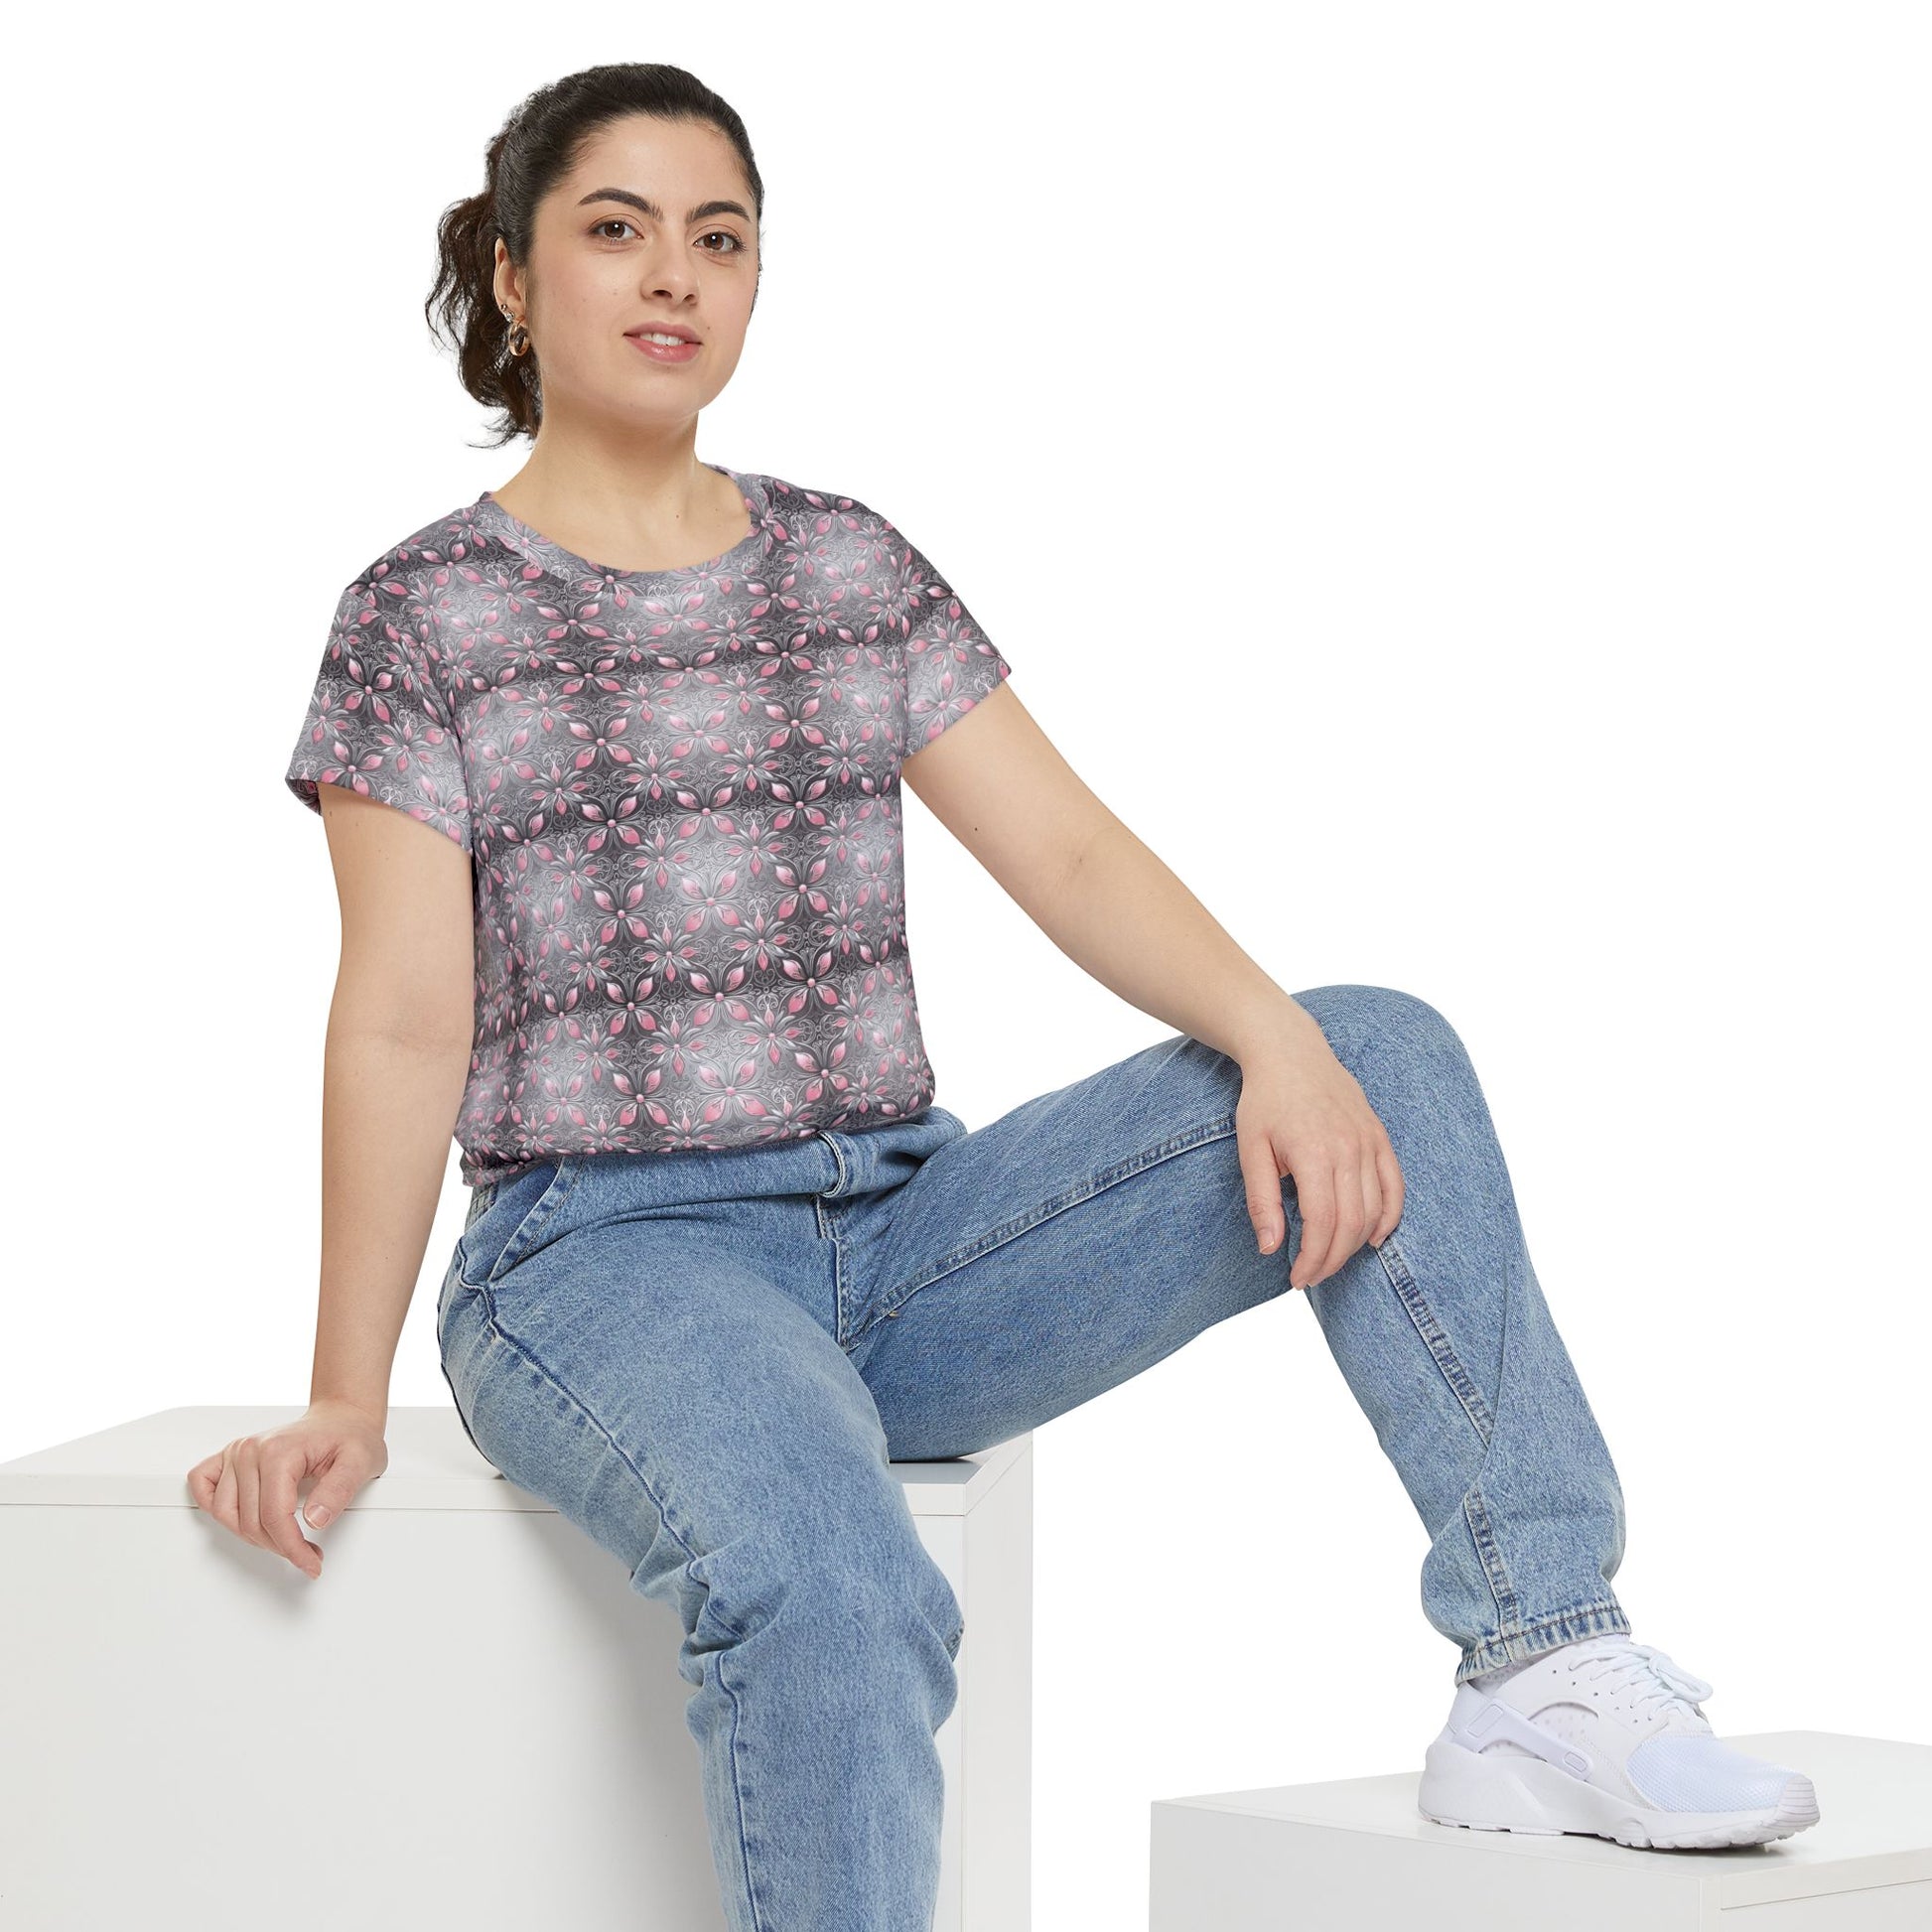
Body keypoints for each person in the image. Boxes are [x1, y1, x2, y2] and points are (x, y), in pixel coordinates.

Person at [188, 60, 1819, 1930]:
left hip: (900, 1244)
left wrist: (1275, 1040)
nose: (674, 276)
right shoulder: (420, 613)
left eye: (721, 238)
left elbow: (1070, 857)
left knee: (1374, 1046)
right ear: (509, 270)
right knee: (837, 1580)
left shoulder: (845, 561)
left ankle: (1541, 1659)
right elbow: (404, 1018)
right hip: (605, 1260)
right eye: (615, 230)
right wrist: (344, 1390)